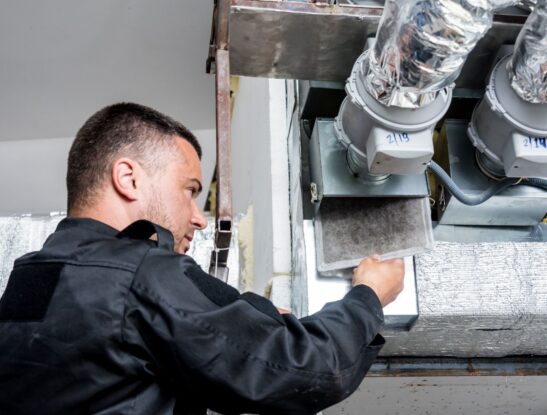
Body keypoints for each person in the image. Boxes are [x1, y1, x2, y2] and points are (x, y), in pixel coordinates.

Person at [0, 103, 405, 414]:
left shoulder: (28, 284)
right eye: (189, 190)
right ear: (129, 178)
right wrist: (368, 296)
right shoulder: (140, 273)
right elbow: (306, 369)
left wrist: (250, 316)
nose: (197, 217)